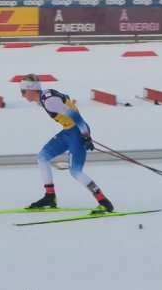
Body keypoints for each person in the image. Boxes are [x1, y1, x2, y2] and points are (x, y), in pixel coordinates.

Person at [19, 74, 114, 212]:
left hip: (77, 132)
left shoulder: (49, 101)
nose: (22, 95)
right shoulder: (45, 96)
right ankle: (50, 196)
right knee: (42, 157)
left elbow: (75, 116)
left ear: (31, 90)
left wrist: (86, 135)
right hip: (68, 132)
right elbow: (66, 97)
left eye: (23, 91)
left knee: (75, 171)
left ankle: (104, 202)